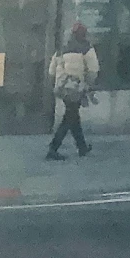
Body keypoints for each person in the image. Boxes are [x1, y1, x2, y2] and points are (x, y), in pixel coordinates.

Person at [45, 26, 98, 160]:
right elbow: (93, 71)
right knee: (70, 117)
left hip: (62, 88)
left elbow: (51, 71)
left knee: (73, 115)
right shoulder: (87, 49)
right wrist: (88, 86)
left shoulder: (61, 50)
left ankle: (82, 147)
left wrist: (57, 84)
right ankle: (53, 148)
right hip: (76, 88)